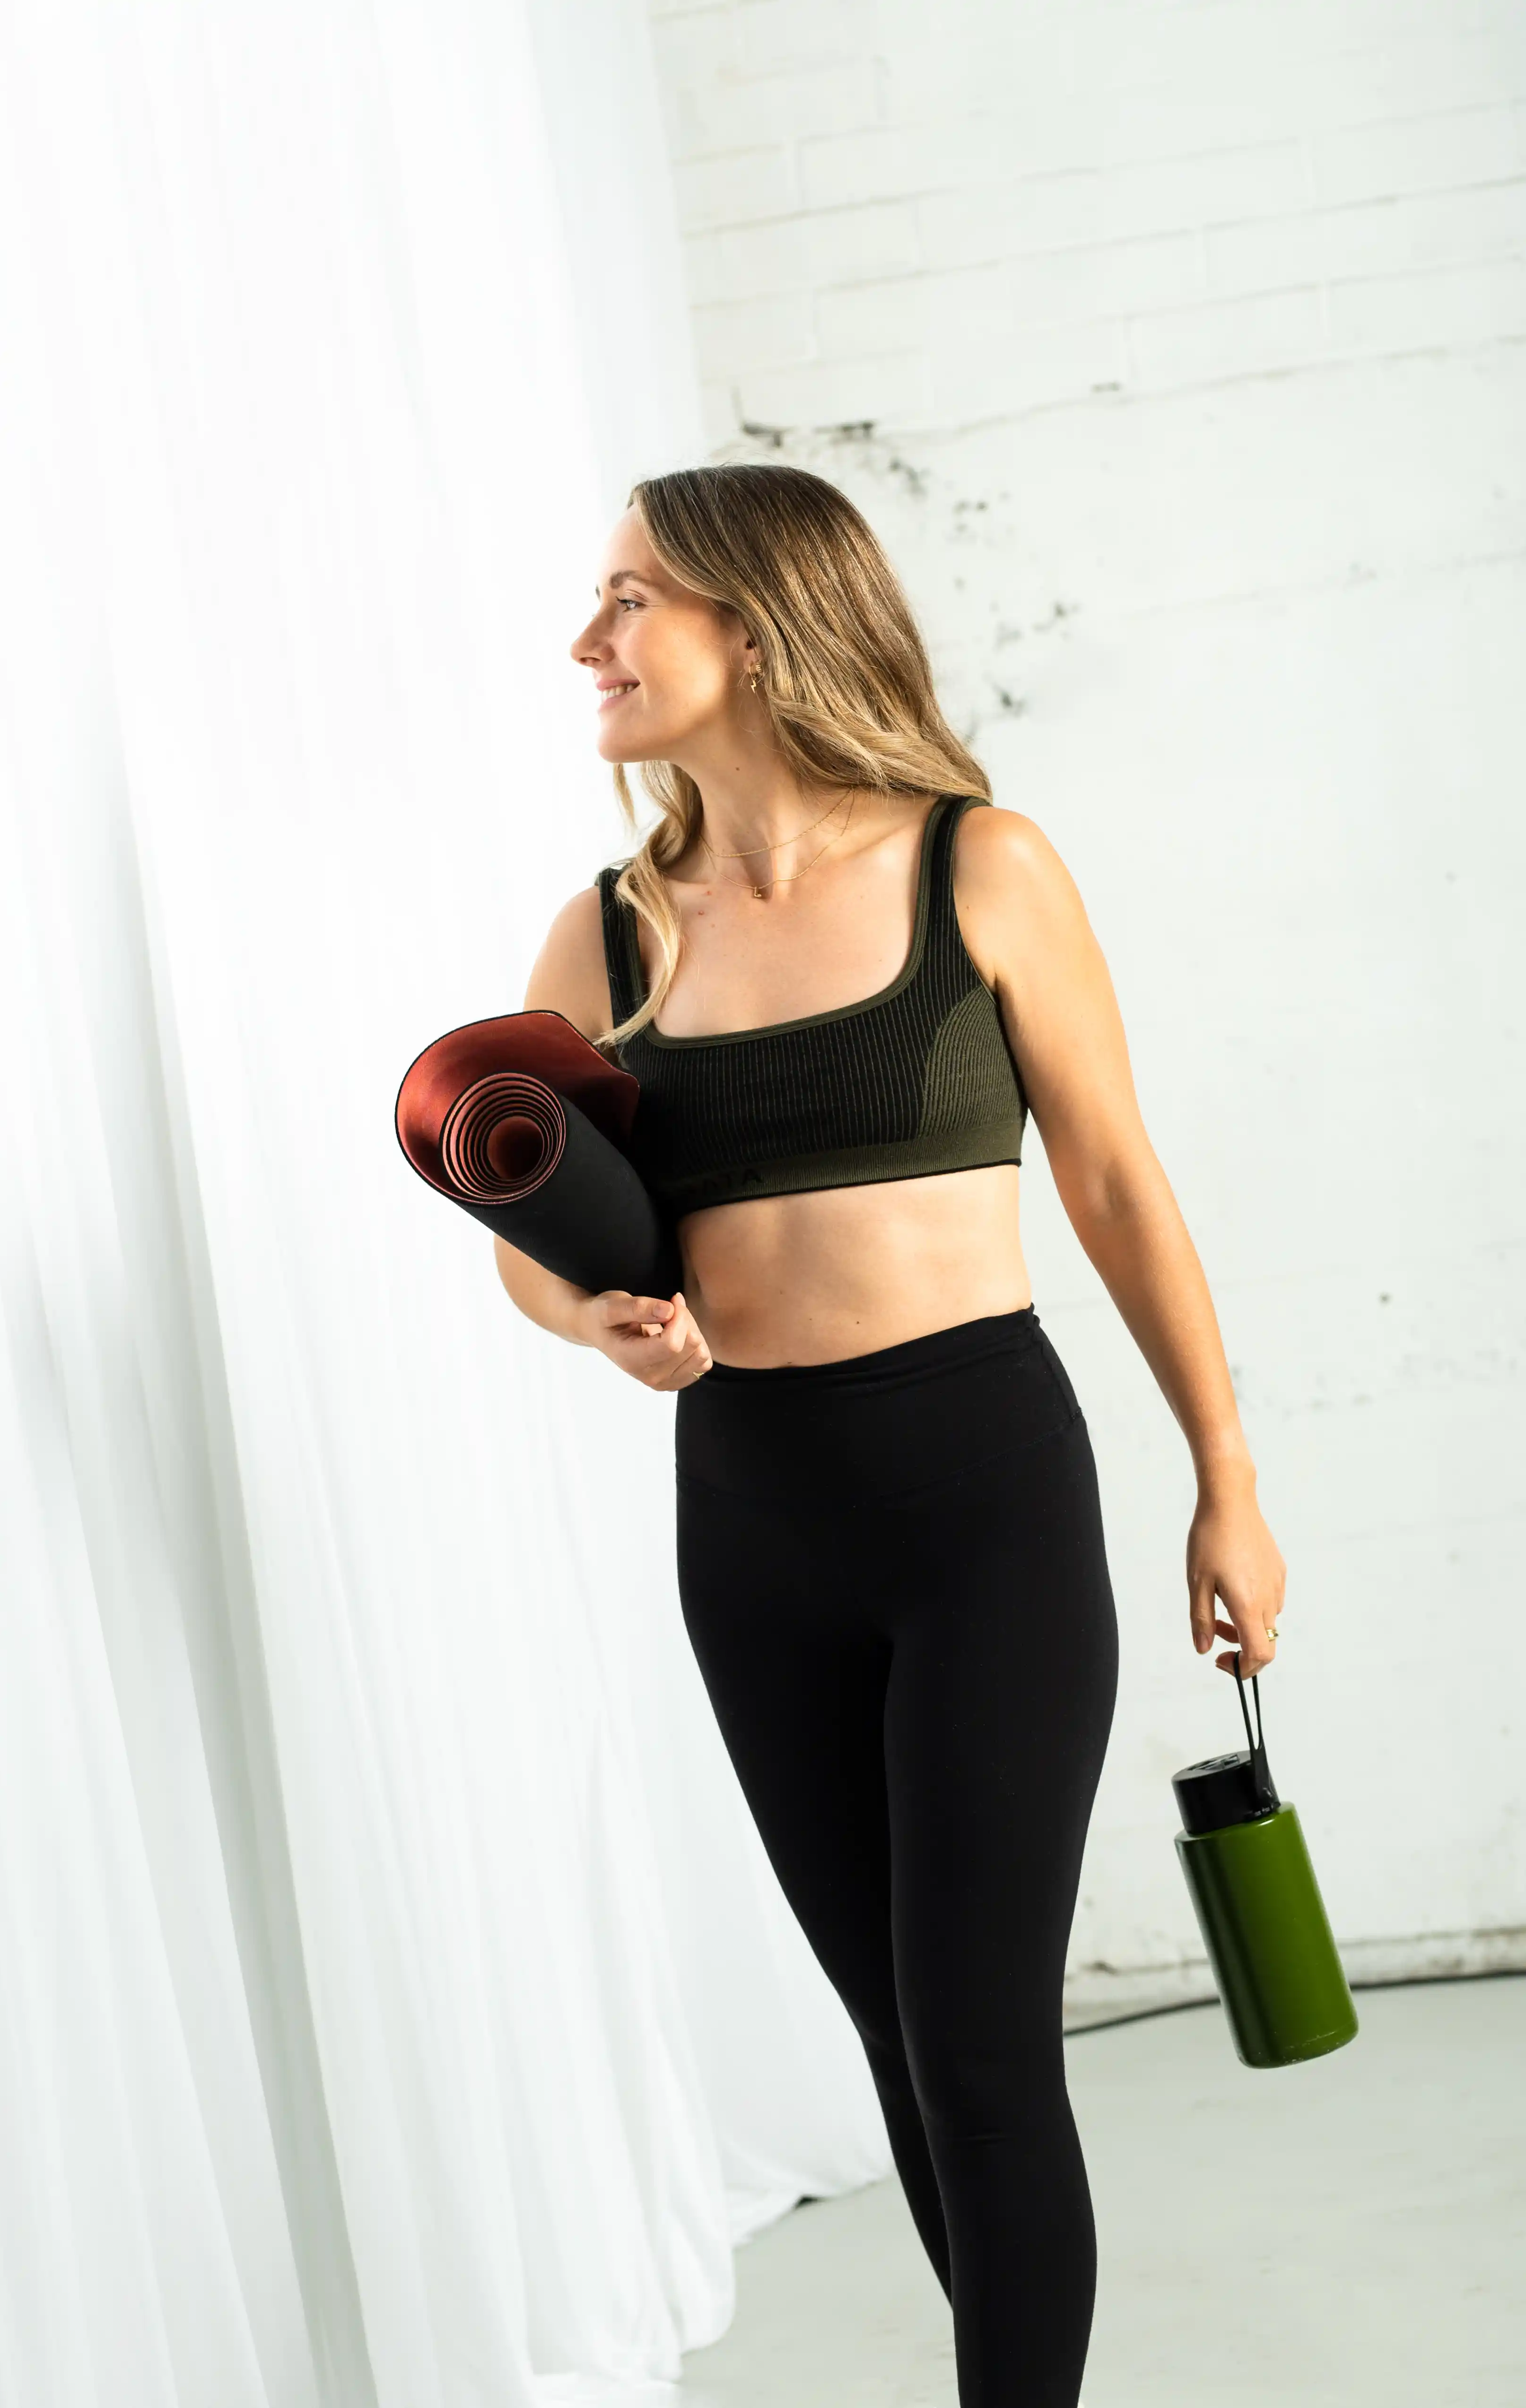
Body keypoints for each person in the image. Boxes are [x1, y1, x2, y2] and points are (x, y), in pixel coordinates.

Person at [493, 462, 1287, 2408]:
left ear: (752, 628)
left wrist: (1227, 1481)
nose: (585, 642)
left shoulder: (976, 868)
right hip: (750, 1523)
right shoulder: (606, 938)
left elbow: (1111, 1177)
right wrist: (594, 1314)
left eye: (627, 603)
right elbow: (528, 1240)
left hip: (981, 1503)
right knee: (902, 2049)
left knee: (986, 2045)